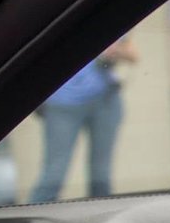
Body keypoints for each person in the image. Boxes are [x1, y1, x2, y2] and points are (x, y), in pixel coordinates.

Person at [30, 37, 137, 202]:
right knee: (55, 170)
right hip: (62, 104)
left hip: (105, 101)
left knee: (101, 171)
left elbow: (133, 55)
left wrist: (113, 51)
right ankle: (35, 211)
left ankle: (102, 210)